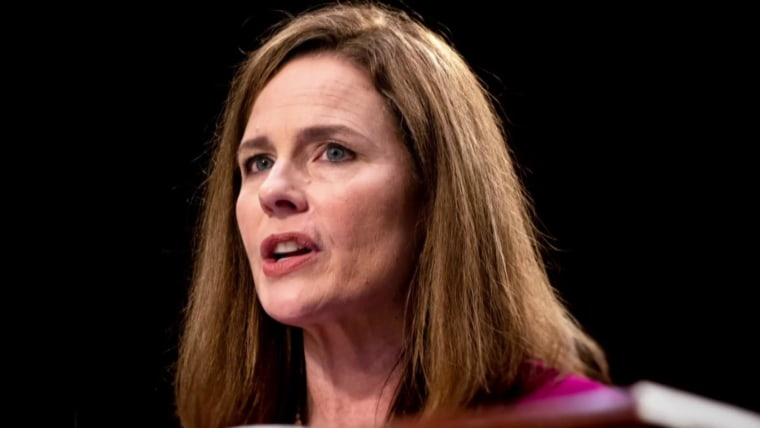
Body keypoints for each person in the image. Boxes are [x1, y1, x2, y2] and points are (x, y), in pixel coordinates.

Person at [174, 2, 616, 427]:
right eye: (259, 162)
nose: (273, 191)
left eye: (333, 152)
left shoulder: (570, 420)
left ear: (433, 193)